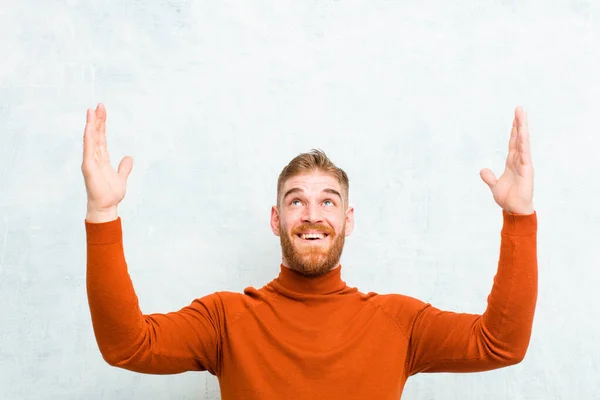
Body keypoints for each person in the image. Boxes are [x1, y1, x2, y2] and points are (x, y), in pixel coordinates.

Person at [82, 103, 537, 399]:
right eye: (296, 200)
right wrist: (102, 212)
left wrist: (519, 216)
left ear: (348, 220)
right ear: (277, 219)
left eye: (327, 201)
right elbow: (127, 346)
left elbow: (500, 345)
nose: (312, 214)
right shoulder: (226, 320)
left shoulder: (397, 323)